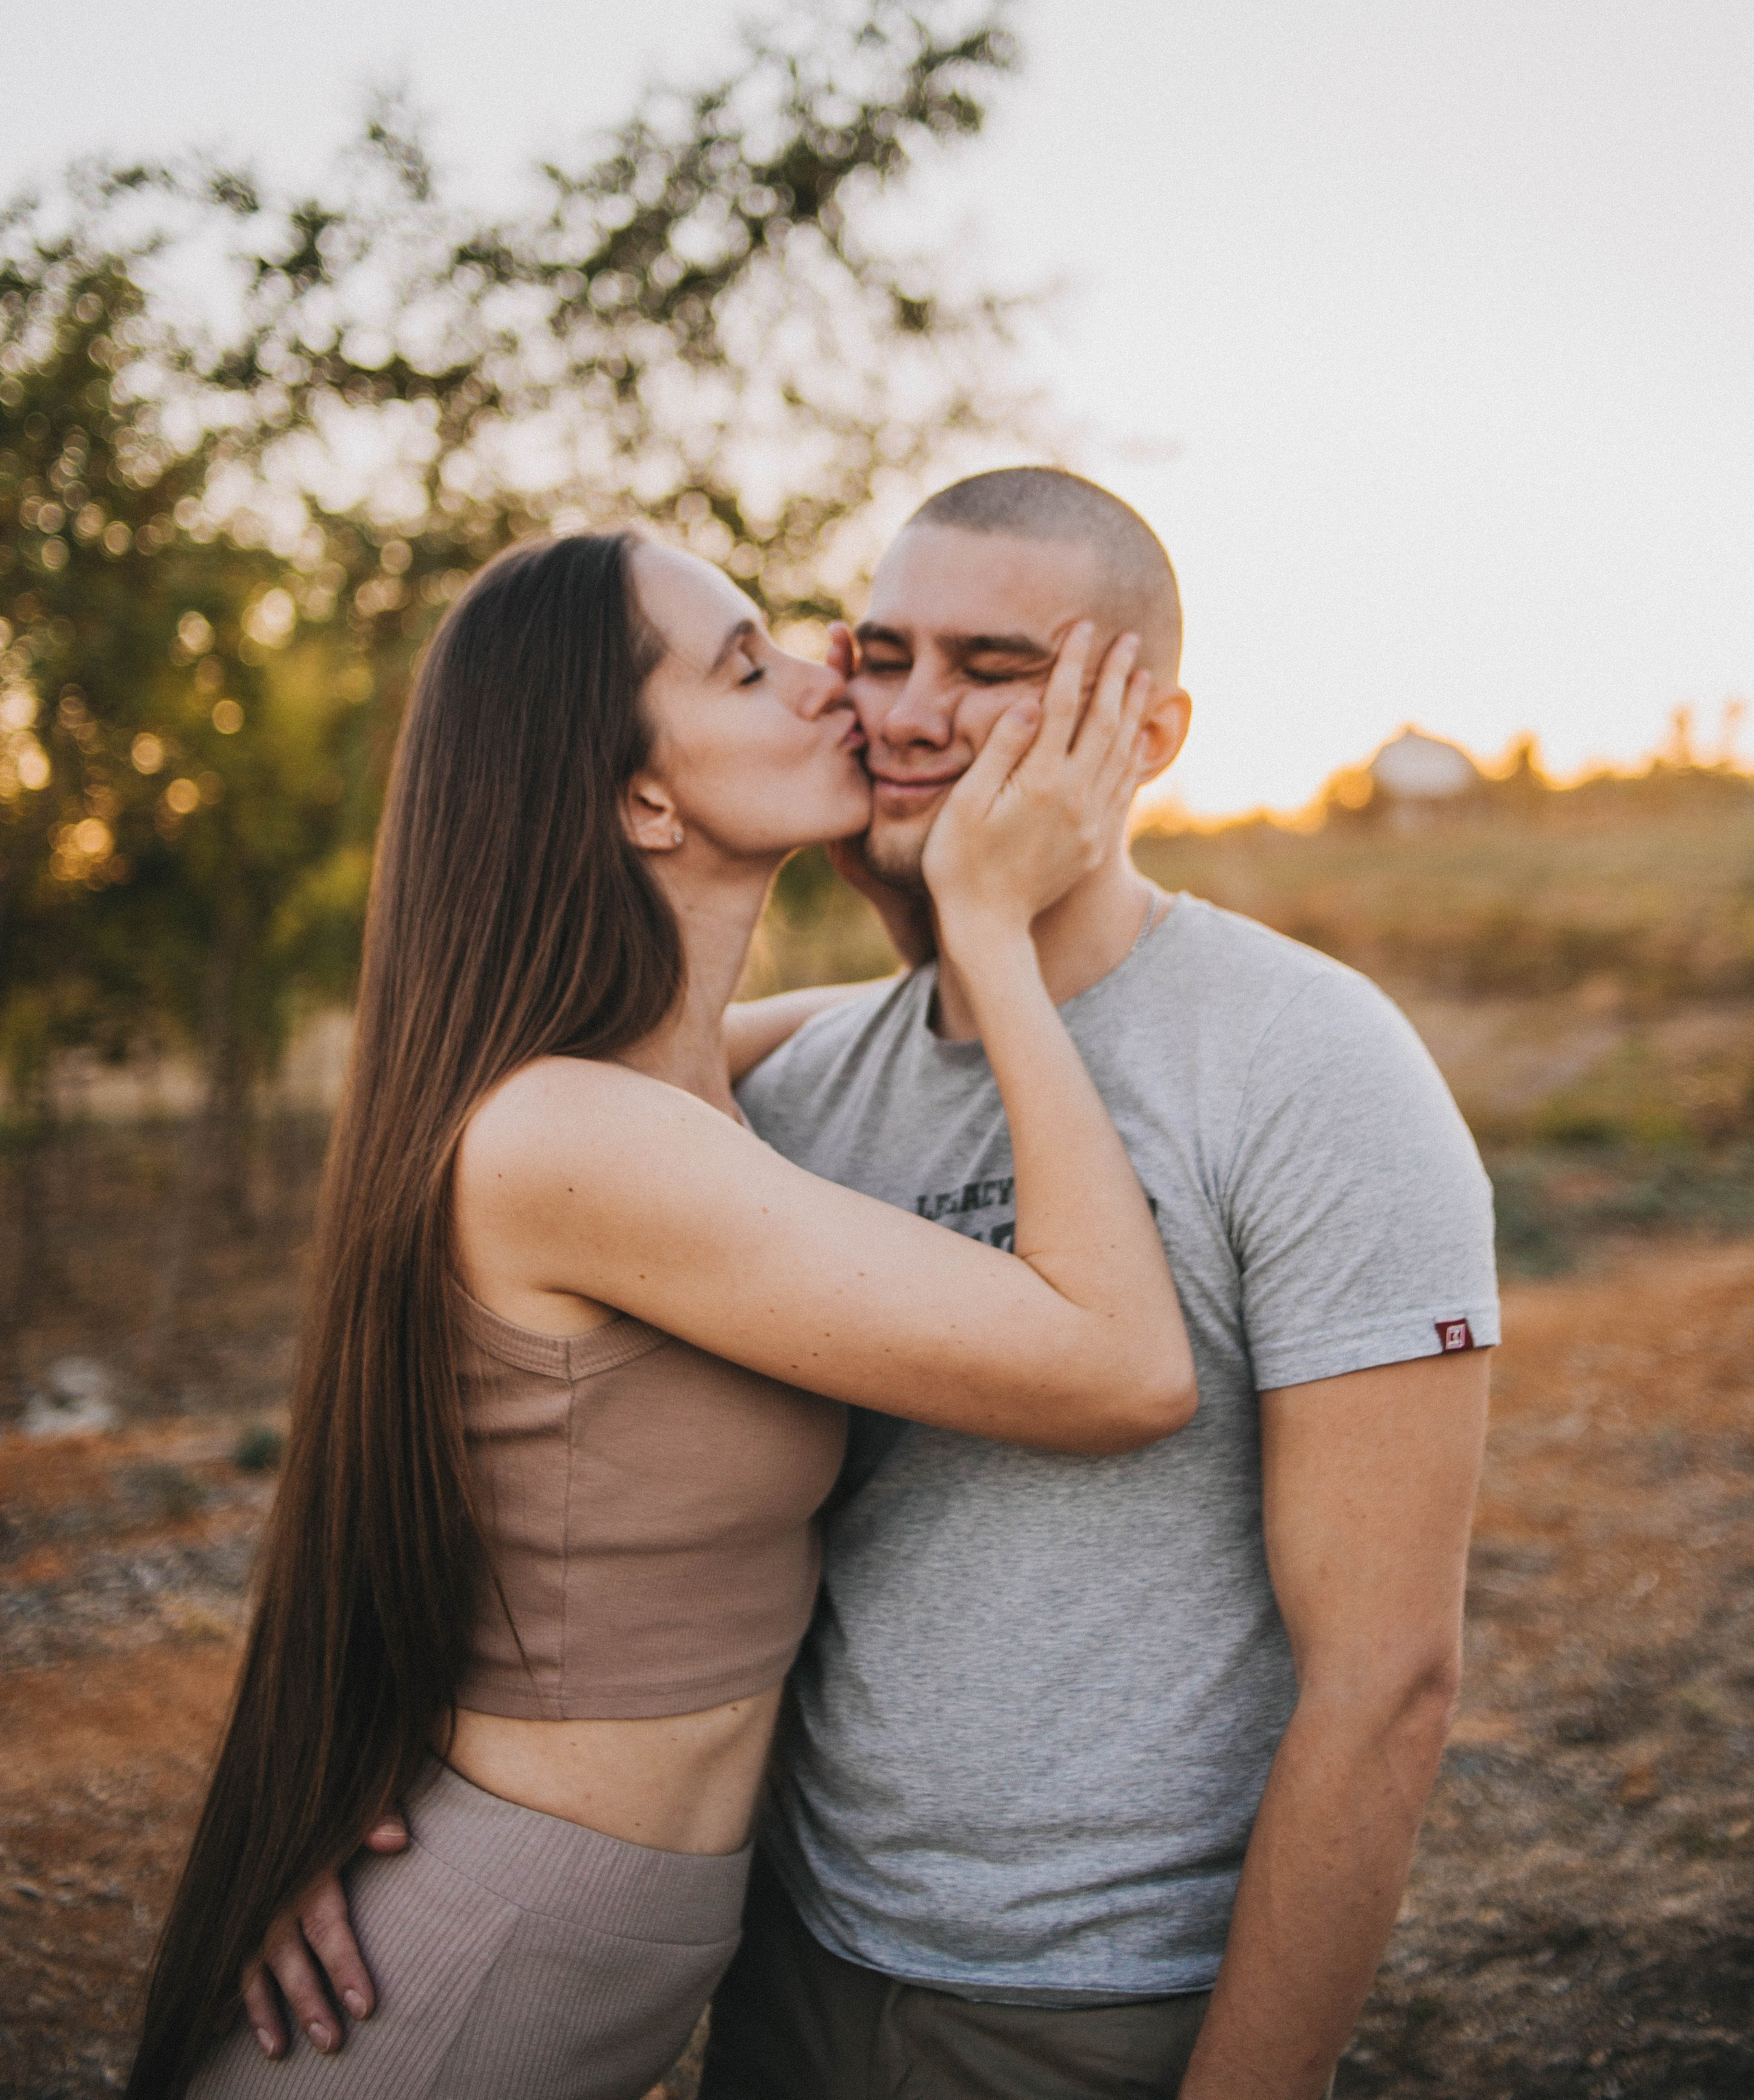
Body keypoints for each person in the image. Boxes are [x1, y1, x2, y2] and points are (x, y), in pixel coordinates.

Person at [251, 467, 1498, 2100]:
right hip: (785, 1967)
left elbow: (1388, 1680)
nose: (897, 713)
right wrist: (342, 1759)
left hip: (1093, 2002)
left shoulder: (1304, 1059)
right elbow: (450, 1411)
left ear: (1151, 732)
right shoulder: (767, 1100)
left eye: (990, 669)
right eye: (877, 650)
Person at [128, 526, 1198, 2100]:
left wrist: (958, 895)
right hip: (467, 1975)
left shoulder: (674, 1084)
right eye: (748, 661)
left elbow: (932, 1018)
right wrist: (977, 921)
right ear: (642, 797)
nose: (833, 672)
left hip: (582, 1948)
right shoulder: (581, 1141)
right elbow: (1120, 1368)